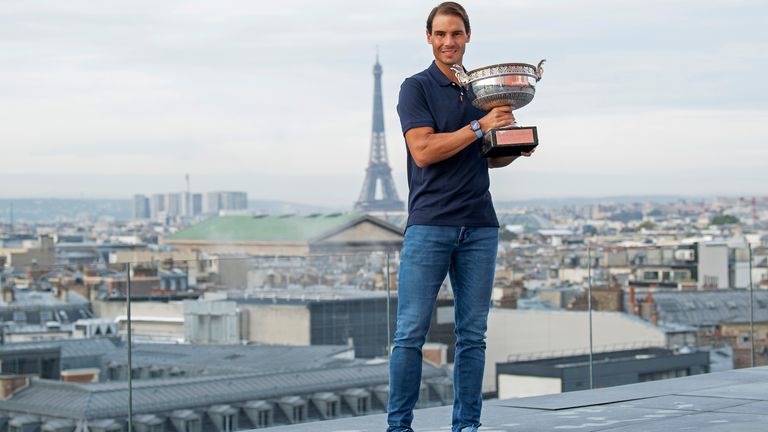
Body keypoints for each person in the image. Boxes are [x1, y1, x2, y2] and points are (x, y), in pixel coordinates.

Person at [387, 3, 534, 432]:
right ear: (429, 38)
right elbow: (424, 151)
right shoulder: (416, 88)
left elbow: (484, 162)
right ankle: (399, 428)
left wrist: (512, 148)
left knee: (473, 336)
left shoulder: (482, 91)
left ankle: (467, 426)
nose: (448, 42)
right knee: (410, 335)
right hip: (430, 223)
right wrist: (478, 126)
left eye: (456, 34)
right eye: (440, 34)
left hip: (480, 224)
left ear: (468, 36)